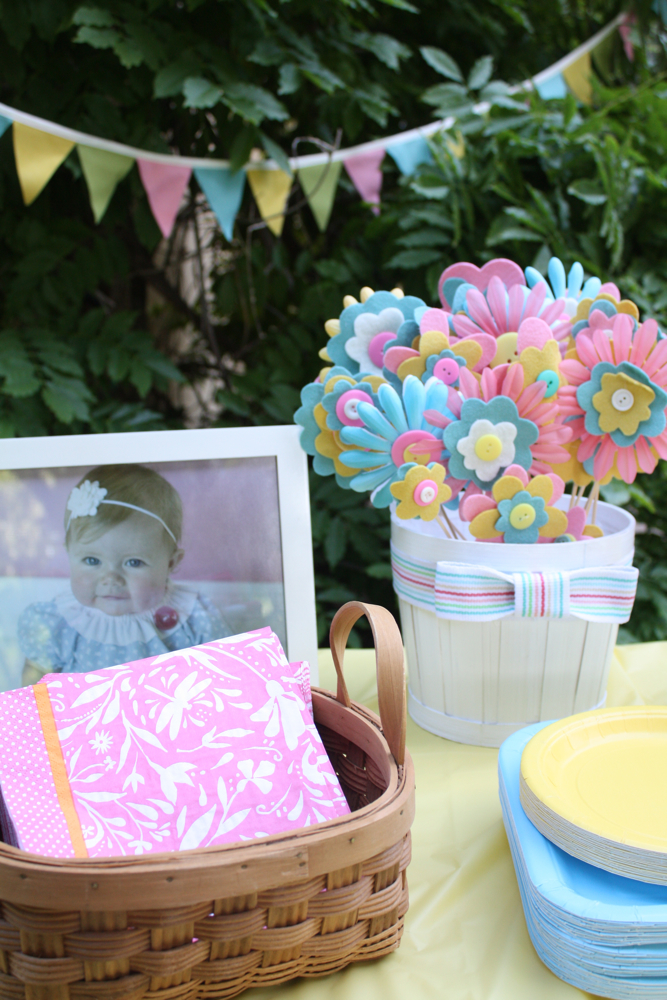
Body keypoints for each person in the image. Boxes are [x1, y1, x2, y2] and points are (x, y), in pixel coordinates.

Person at [19, 464, 231, 683]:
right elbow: (34, 681)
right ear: (69, 554)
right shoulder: (61, 622)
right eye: (92, 560)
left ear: (171, 563)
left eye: (133, 562)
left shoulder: (190, 617)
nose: (111, 578)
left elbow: (222, 674)